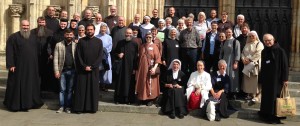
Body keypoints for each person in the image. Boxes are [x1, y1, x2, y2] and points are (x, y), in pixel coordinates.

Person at [4, 20, 44, 111]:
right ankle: (16, 104)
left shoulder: (34, 37)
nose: (25, 27)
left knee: (30, 85)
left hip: (31, 67)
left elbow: (38, 52)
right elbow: (9, 52)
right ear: (20, 25)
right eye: (24, 25)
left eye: (27, 25)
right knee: (17, 85)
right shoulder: (13, 37)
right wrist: (11, 65)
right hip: (18, 67)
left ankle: (29, 103)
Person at [258, 34, 289, 124]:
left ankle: (275, 117)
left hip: (277, 80)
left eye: (269, 40)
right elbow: (263, 66)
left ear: (273, 40)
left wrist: (285, 79)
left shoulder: (280, 51)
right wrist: (261, 78)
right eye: (265, 41)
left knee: (275, 98)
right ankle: (266, 115)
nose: (268, 42)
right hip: (267, 79)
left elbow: (285, 66)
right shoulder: (264, 51)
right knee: (266, 98)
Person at [73, 24, 103, 113]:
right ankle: (79, 108)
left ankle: (91, 108)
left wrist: (93, 66)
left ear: (94, 30)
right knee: (81, 89)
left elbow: (100, 55)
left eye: (91, 29)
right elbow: (78, 55)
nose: (90, 31)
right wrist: (84, 66)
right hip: (82, 70)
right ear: (86, 30)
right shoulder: (81, 41)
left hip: (94, 70)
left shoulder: (99, 41)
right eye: (88, 29)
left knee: (92, 89)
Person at [53, 29, 77, 114]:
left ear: (73, 35)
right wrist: (56, 71)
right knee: (62, 90)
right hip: (62, 71)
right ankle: (61, 106)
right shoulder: (58, 45)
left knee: (70, 90)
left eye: (70, 34)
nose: (69, 36)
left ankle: (68, 107)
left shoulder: (76, 45)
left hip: (73, 71)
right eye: (67, 34)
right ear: (64, 35)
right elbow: (55, 59)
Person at [136, 32, 161, 106]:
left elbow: (158, 58)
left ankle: (150, 99)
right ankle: (142, 98)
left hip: (151, 67)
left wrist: (154, 68)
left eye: (150, 37)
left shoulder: (154, 46)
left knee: (151, 83)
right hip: (142, 68)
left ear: (152, 38)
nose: (148, 39)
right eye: (147, 37)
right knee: (142, 82)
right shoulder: (142, 46)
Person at [114, 28, 139, 104]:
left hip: (130, 67)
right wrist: (118, 55)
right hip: (121, 67)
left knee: (130, 84)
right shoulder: (120, 43)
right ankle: (118, 99)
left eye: (130, 33)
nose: (128, 34)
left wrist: (135, 68)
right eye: (127, 33)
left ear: (132, 34)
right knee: (119, 83)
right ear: (125, 34)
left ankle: (129, 100)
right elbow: (114, 53)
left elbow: (136, 57)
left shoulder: (135, 44)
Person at [32, 17, 54, 91]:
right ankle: (36, 88)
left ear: (45, 23)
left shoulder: (50, 32)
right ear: (37, 23)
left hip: (46, 57)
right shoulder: (32, 32)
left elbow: (52, 44)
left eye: (43, 22)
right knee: (36, 73)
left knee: (46, 73)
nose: (41, 24)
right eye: (40, 22)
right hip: (35, 56)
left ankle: (45, 88)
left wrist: (51, 54)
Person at [241, 31, 264, 102]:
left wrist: (250, 60)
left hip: (255, 65)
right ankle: (250, 94)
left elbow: (258, 53)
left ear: (256, 36)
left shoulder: (259, 44)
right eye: (250, 36)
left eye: (253, 36)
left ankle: (256, 95)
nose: (251, 37)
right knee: (248, 80)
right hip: (247, 65)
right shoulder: (247, 44)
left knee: (255, 80)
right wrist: (243, 59)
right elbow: (242, 53)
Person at [47, 18, 69, 92]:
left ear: (66, 25)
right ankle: (56, 89)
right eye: (62, 24)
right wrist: (50, 53)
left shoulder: (69, 32)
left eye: (64, 24)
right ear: (59, 24)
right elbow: (49, 44)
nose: (63, 25)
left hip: (66, 56)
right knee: (56, 72)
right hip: (55, 55)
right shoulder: (55, 33)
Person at [219, 28, 240, 99]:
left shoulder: (235, 41)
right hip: (225, 61)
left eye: (230, 32)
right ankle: (226, 91)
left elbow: (237, 53)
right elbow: (221, 52)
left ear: (232, 33)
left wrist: (236, 62)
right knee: (225, 76)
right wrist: (220, 62)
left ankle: (233, 92)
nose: (228, 33)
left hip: (232, 61)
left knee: (233, 77)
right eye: (227, 32)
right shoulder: (224, 41)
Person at [95, 23, 113, 92]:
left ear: (106, 29)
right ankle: (98, 84)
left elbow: (110, 47)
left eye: (104, 28)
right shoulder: (96, 37)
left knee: (105, 70)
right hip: (98, 56)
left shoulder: (109, 37)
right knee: (98, 70)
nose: (103, 29)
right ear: (100, 29)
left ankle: (104, 85)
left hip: (106, 56)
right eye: (102, 28)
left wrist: (104, 52)